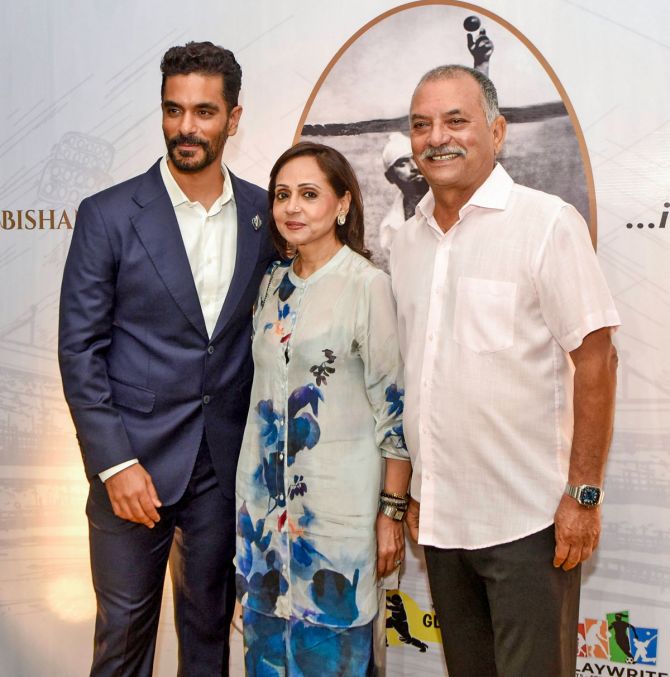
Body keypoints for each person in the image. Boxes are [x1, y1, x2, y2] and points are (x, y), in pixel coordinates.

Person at [390, 64, 620, 676]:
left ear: (497, 131)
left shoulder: (546, 224)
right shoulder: (405, 243)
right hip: (440, 525)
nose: (437, 137)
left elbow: (596, 361)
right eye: (421, 124)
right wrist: (415, 490)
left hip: (529, 522)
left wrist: (584, 495)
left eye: (456, 121)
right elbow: (420, 377)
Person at [58, 41, 274, 676]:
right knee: (123, 639)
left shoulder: (267, 214)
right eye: (174, 110)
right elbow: (80, 350)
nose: (187, 127)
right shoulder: (108, 215)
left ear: (233, 118)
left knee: (209, 636)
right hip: (133, 467)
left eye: (205, 112)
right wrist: (114, 463)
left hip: (222, 468)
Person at [235, 141, 411, 675]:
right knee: (265, 655)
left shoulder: (368, 287)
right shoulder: (268, 286)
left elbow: (394, 411)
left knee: (332, 658)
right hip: (262, 517)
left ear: (342, 204)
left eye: (309, 194)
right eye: (283, 195)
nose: (292, 207)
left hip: (337, 522)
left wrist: (391, 514)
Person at [378, 132, 428, 258]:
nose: (415, 167)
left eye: (417, 157)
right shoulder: (390, 227)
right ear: (390, 177)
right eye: (402, 163)